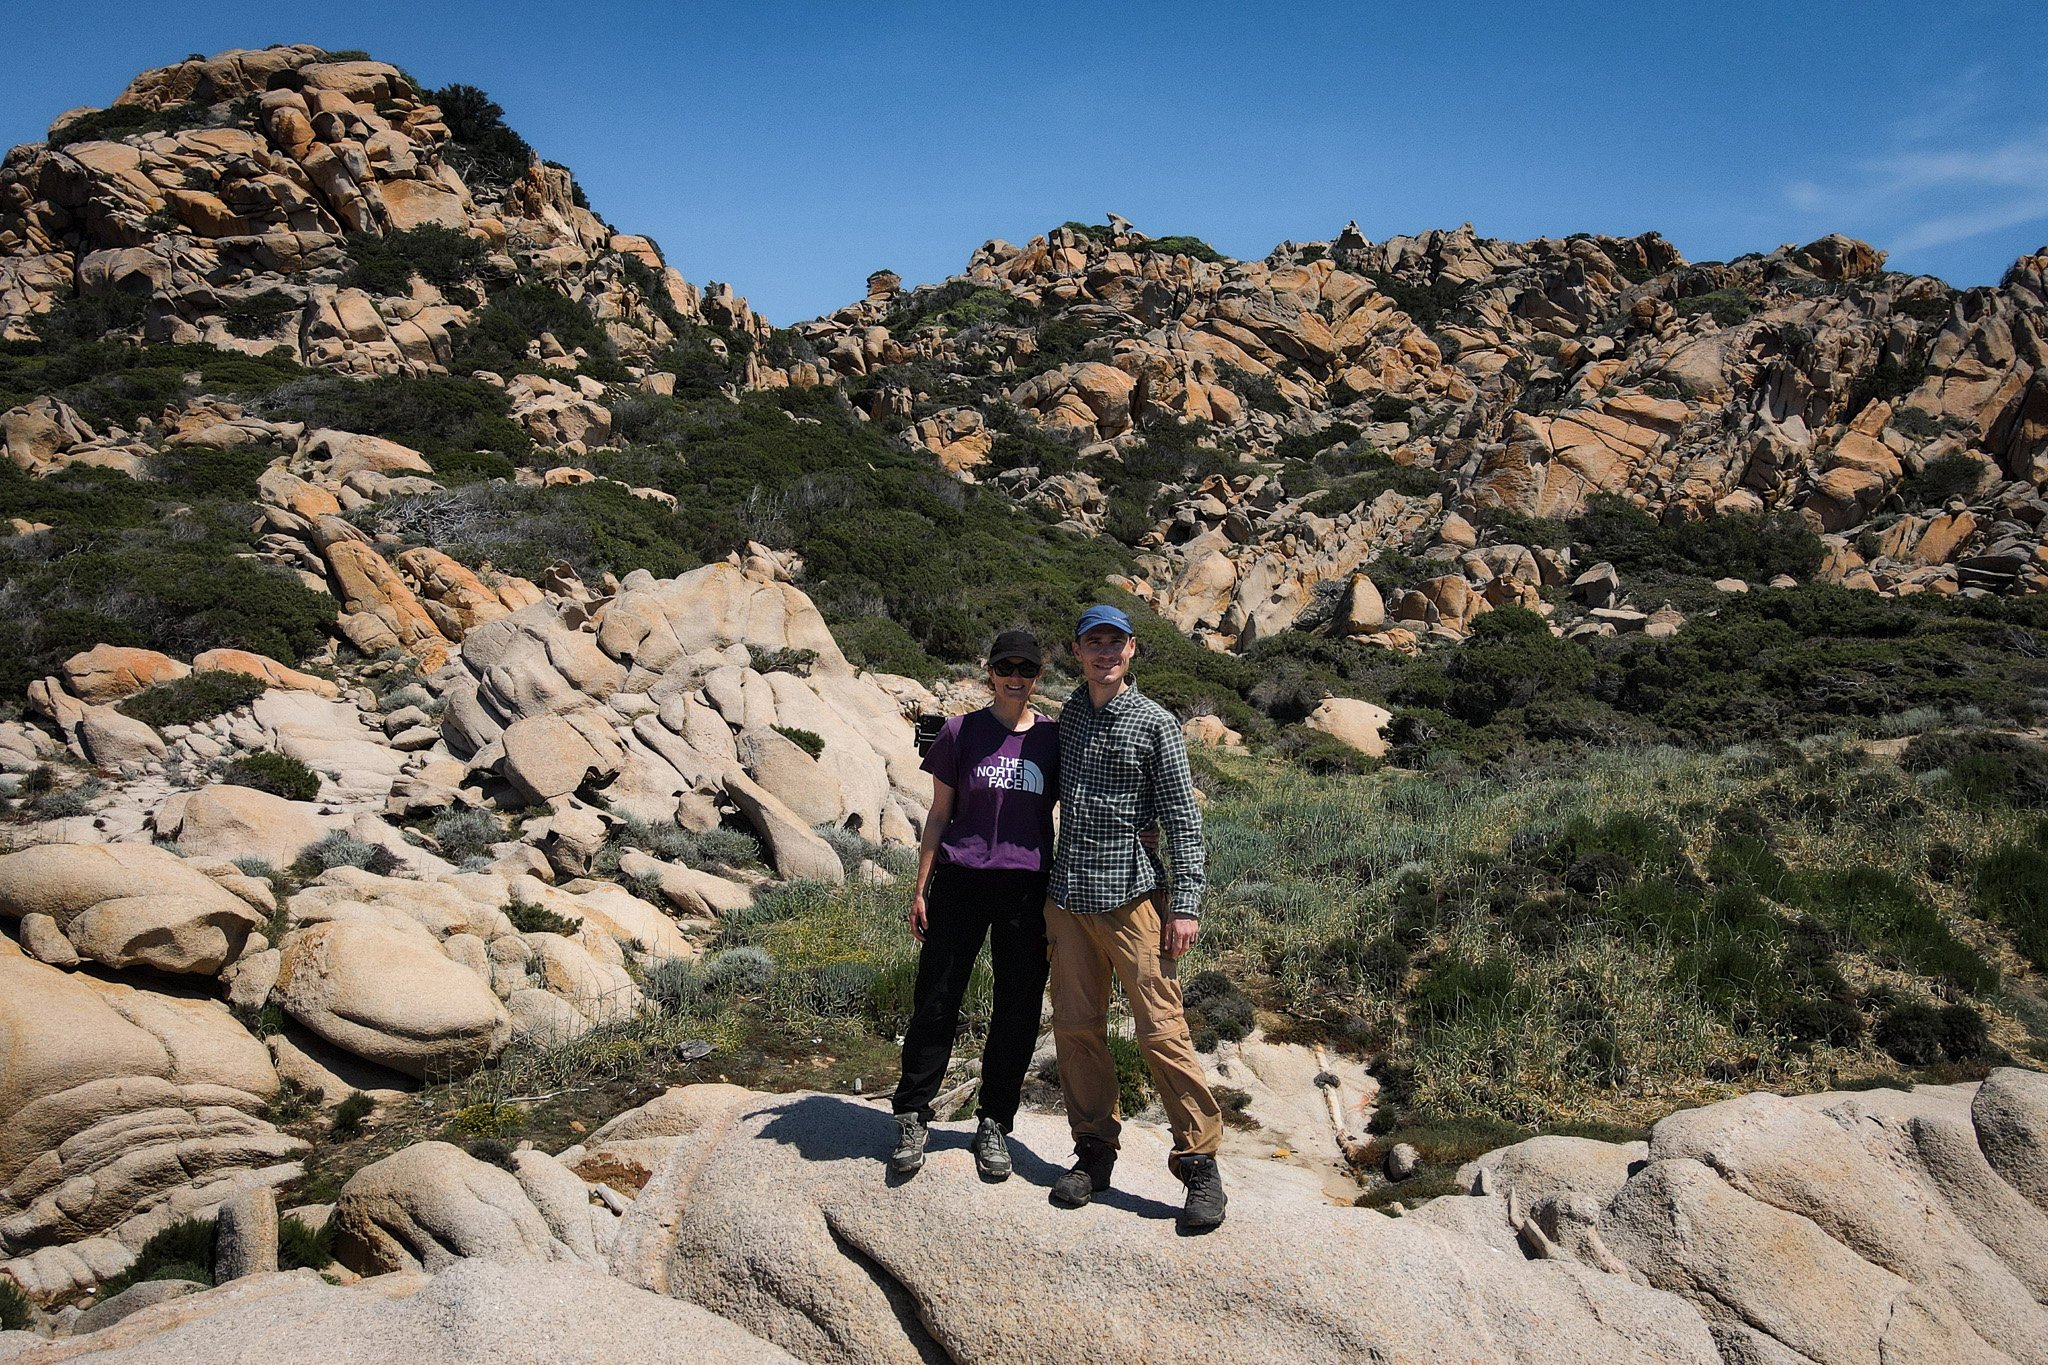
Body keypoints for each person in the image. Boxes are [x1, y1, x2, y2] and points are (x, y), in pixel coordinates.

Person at [1044, 603, 1226, 1230]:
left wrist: (1188, 904)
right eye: (1093, 643)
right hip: (1067, 899)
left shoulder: (1155, 724)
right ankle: (1093, 1153)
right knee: (1075, 1027)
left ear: (1132, 651)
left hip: (1132, 900)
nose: (1105, 653)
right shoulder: (1067, 717)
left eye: (1115, 643)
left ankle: (1200, 1164)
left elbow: (1182, 817)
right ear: (1077, 652)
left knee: (1161, 1030)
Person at [889, 629, 1060, 1181]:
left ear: (1037, 677)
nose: (1016, 677)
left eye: (1026, 670)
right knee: (937, 995)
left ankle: (994, 1122)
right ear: (990, 672)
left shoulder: (1053, 740)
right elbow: (939, 816)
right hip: (961, 879)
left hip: (1026, 886)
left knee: (1018, 1006)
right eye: (1006, 667)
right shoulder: (962, 733)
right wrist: (921, 885)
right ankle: (914, 1113)